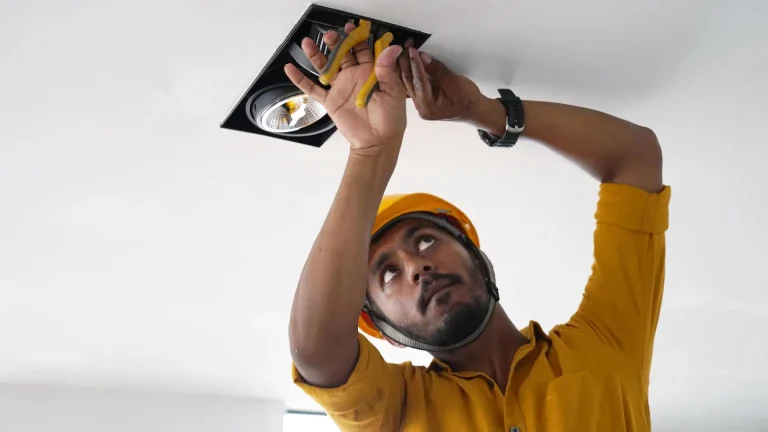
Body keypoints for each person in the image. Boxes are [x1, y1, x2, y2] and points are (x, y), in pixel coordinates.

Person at [285, 23, 670, 432]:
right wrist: (370, 154)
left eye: (427, 240)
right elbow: (317, 351)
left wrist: (485, 111)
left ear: (480, 259)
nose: (416, 266)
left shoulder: (603, 345)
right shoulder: (393, 409)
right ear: (385, 333)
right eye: (389, 273)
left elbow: (636, 156)